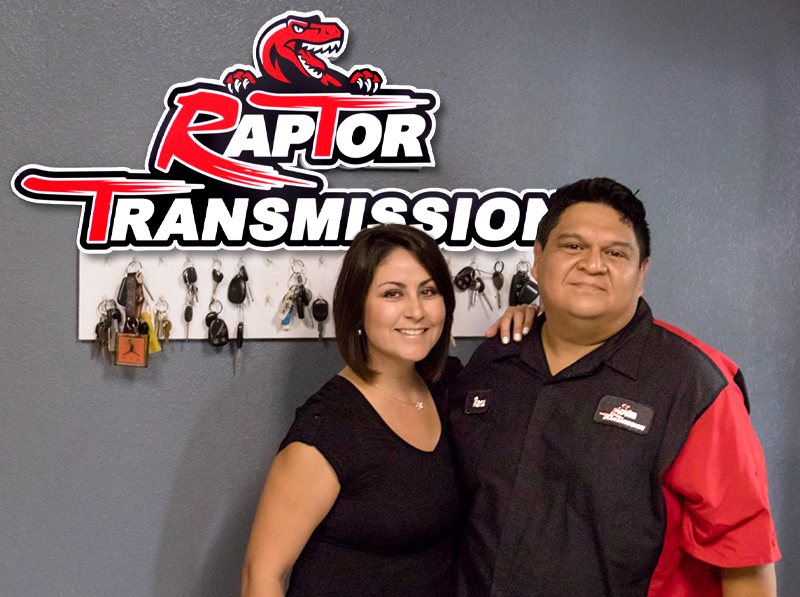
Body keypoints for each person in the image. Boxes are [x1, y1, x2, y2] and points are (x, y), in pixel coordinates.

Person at [448, 178, 780, 597]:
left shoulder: (693, 385)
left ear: (641, 272)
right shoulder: (494, 362)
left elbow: (744, 556)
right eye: (572, 246)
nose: (592, 263)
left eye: (615, 252)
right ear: (537, 258)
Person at [240, 224, 532, 596]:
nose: (416, 311)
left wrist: (531, 319)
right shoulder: (327, 430)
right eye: (392, 294)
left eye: (428, 291)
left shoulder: (449, 389)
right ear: (357, 308)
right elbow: (260, 576)